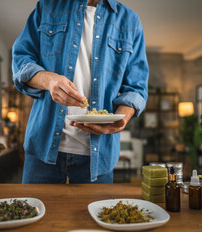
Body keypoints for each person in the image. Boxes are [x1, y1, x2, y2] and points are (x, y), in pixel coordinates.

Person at [12, 0, 148, 184]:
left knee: (96, 214)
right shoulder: (47, 7)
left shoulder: (130, 21)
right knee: (33, 213)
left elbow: (137, 87)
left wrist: (121, 120)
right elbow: (21, 58)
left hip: (99, 158)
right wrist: (49, 80)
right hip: (42, 149)